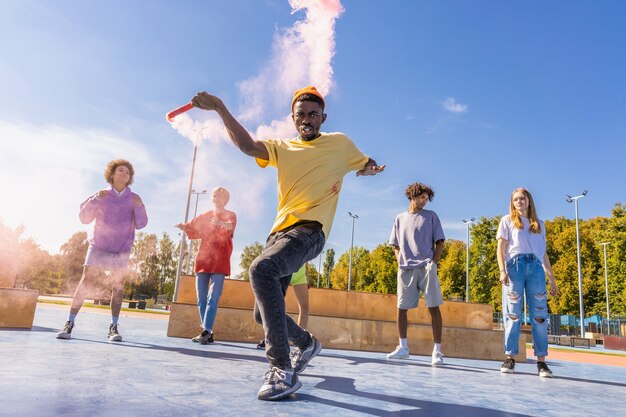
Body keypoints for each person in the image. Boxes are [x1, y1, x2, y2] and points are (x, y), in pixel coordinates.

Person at [191, 86, 384, 401]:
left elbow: (364, 159)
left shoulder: (339, 143)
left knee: (262, 269)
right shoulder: (282, 147)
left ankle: (282, 371)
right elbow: (248, 146)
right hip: (278, 233)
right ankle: (307, 343)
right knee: (262, 315)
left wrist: (369, 168)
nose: (307, 120)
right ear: (293, 119)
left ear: (323, 117)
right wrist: (220, 108)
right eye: (301, 116)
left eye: (312, 114)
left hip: (310, 231)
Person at [57, 159, 148, 342]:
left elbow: (141, 224)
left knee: (118, 287)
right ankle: (69, 323)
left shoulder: (134, 199)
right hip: (98, 246)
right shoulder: (101, 195)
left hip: (121, 249)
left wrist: (140, 206)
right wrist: (94, 199)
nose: (124, 174)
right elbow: (84, 218)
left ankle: (113, 327)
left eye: (127, 172)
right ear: (112, 174)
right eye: (120, 170)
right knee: (85, 281)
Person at [497, 187, 558, 377]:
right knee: (513, 314)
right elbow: (500, 247)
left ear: (529, 201)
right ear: (512, 202)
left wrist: (551, 277)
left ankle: (541, 362)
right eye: (515, 199)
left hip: (536, 268)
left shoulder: (539, 224)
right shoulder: (507, 221)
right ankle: (510, 358)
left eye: (522, 198)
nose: (519, 202)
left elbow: (543, 253)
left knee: (540, 316)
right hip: (514, 267)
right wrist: (502, 271)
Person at [386, 182, 445, 365]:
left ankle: (437, 351)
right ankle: (403, 348)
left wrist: (432, 263)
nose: (425, 201)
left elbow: (440, 242)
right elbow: (395, 245)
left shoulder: (431, 216)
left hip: (426, 267)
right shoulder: (400, 218)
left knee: (433, 307)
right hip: (405, 269)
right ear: (412, 195)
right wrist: (399, 260)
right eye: (422, 197)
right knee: (401, 309)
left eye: (427, 198)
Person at [175, 186, 236, 344]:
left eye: (220, 196)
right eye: (214, 196)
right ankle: (207, 331)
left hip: (220, 260)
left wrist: (221, 223)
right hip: (203, 259)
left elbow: (230, 226)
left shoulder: (230, 215)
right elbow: (192, 226)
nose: (216, 199)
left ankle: (207, 331)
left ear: (225, 199)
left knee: (213, 297)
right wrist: (184, 226)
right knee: (201, 299)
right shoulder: (206, 215)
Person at [256, 263, 309, 350]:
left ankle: (301, 343)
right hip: (284, 269)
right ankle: (270, 339)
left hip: (299, 272)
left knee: (305, 307)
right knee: (273, 305)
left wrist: (307, 274)